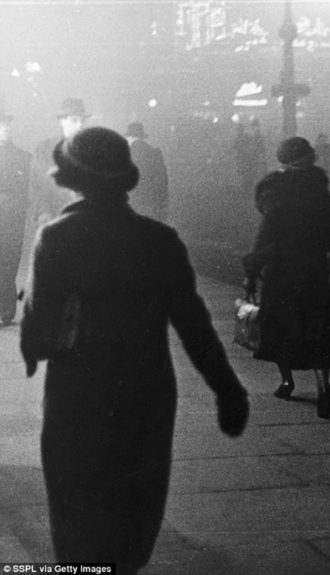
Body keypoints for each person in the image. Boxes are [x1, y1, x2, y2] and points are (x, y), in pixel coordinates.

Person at [20, 127, 249, 573]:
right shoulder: (159, 240)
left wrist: (33, 350)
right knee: (135, 505)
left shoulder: (58, 237)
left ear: (70, 177)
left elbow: (40, 326)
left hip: (78, 391)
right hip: (146, 389)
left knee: (76, 508)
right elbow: (193, 322)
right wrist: (227, 389)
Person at [243, 136, 330, 418]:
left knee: (280, 327)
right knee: (315, 326)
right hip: (314, 268)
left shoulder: (275, 187)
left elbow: (269, 230)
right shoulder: (319, 187)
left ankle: (287, 381)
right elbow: (329, 228)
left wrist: (252, 266)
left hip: (282, 269)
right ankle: (323, 385)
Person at [31, 98, 90, 224]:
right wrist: (44, 212)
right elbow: (39, 185)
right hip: (55, 217)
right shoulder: (45, 150)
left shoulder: (92, 151)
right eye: (74, 120)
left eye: (82, 120)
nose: (80, 125)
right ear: (62, 121)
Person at [0, 112, 32, 325]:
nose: (5, 127)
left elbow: (27, 190)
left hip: (12, 218)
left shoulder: (23, 156)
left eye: (6, 123)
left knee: (9, 261)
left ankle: (6, 310)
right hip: (11, 214)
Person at [125, 121, 169, 222]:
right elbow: (162, 180)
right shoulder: (154, 153)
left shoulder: (126, 154)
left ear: (131, 137)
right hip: (151, 202)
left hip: (132, 202)